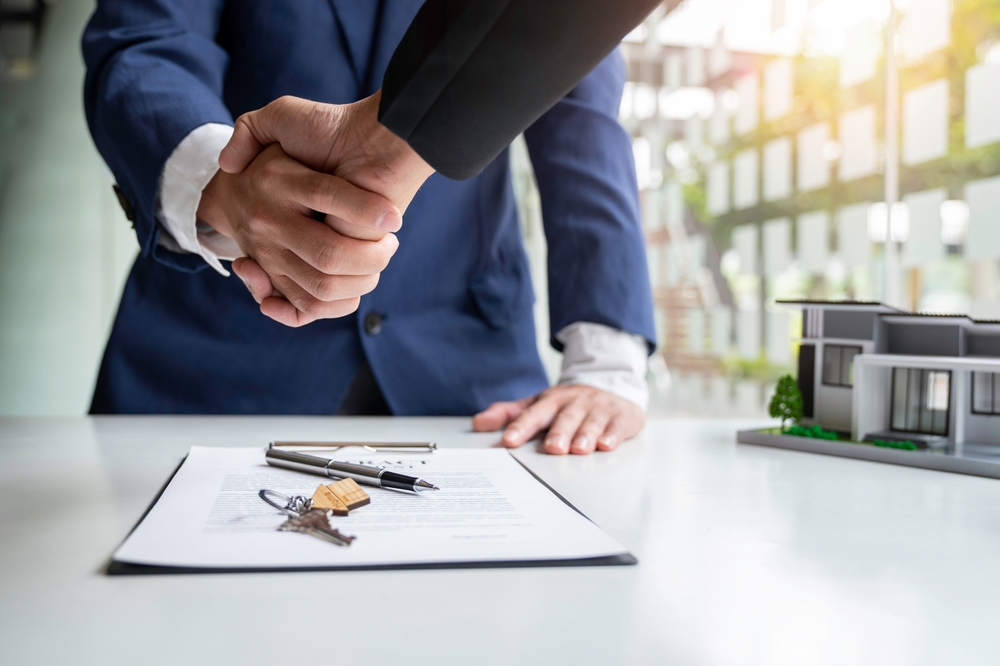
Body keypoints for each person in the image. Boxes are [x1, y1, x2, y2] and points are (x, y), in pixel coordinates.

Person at [82, 0, 657, 455]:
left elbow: (580, 106)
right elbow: (144, 44)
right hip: (213, 359)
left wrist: (605, 362)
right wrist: (222, 184)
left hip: (472, 381)